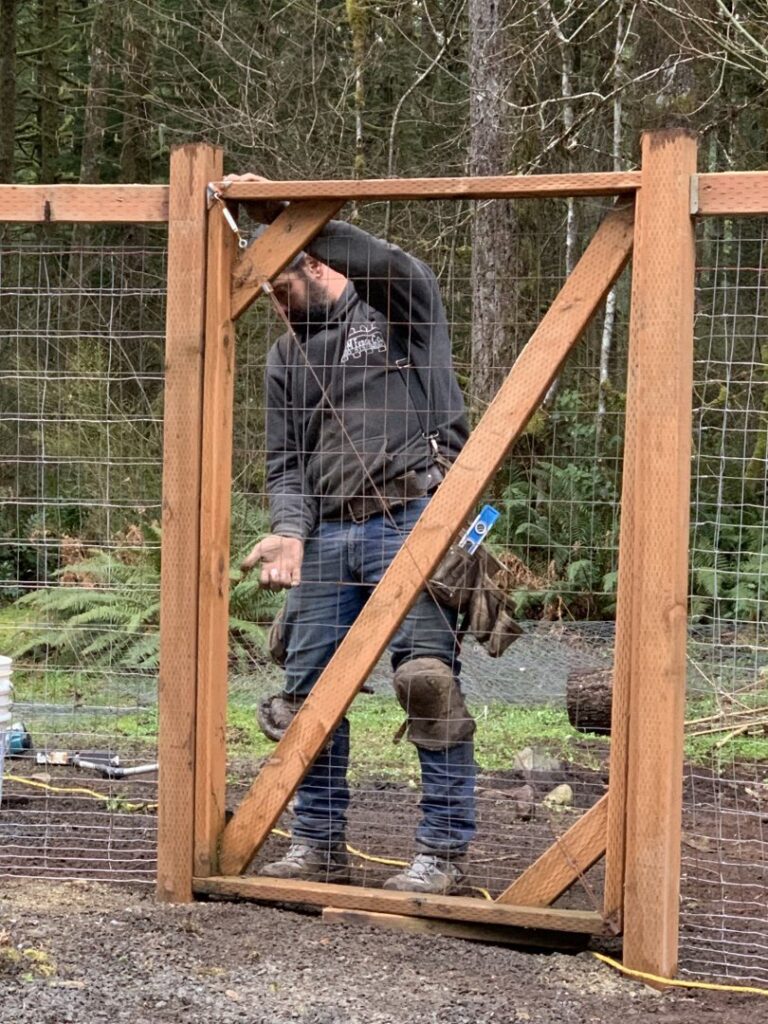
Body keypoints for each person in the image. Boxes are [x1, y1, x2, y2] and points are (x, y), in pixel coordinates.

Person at [236, 181, 476, 894]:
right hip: (331, 536)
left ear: (313, 263)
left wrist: (288, 220)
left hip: (417, 518)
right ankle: (318, 844)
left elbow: (399, 268)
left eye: (283, 286)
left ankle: (443, 855)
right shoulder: (284, 359)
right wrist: (287, 533)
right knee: (306, 697)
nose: (278, 307)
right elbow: (285, 466)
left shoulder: (394, 310)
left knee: (427, 684)